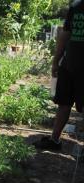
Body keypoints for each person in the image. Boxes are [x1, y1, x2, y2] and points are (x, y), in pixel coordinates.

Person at [34, 0, 84, 150]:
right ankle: (54, 140)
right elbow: (65, 33)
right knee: (63, 103)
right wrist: (56, 61)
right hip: (69, 65)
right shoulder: (76, 7)